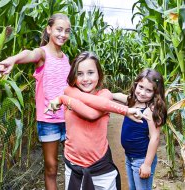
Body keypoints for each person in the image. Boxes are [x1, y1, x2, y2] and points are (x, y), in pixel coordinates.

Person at [46, 51, 149, 190]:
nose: (85, 78)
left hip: (101, 167)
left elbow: (91, 114)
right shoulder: (70, 91)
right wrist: (65, 98)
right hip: (73, 166)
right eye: (80, 73)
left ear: (99, 74)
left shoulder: (105, 95)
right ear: (73, 76)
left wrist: (63, 99)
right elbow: (82, 101)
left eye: (90, 72)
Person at [0, 13, 71, 190]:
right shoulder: (43, 54)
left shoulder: (66, 58)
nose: (63, 34)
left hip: (68, 118)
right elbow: (29, 53)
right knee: (51, 168)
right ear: (49, 29)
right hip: (49, 121)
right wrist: (13, 59)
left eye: (67, 31)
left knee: (73, 167)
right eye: (59, 30)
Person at [112, 68, 167, 190]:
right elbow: (120, 96)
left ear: (155, 93)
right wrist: (108, 94)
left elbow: (155, 138)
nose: (142, 93)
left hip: (141, 160)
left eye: (148, 90)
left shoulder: (150, 110)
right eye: (140, 87)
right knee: (133, 188)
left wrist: (147, 165)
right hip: (129, 156)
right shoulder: (133, 101)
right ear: (136, 85)